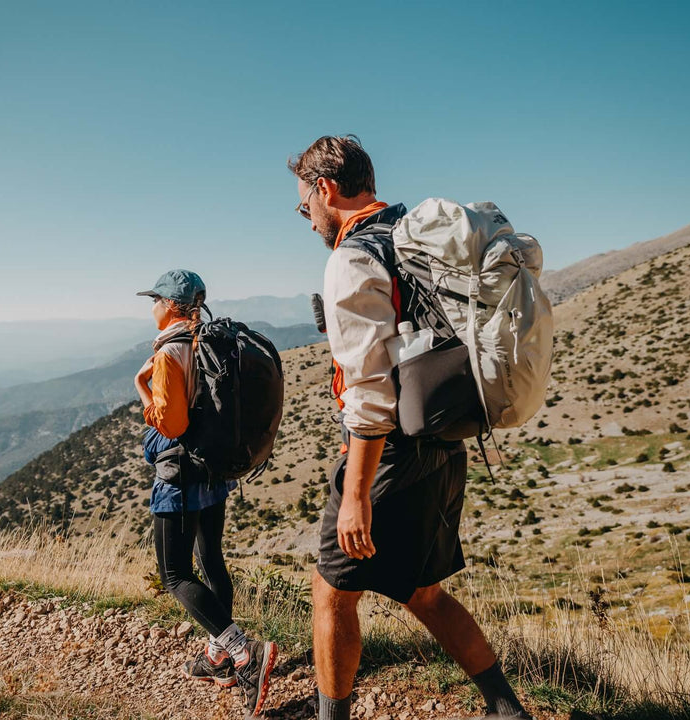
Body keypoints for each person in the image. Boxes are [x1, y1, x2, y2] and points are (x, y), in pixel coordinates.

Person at [288, 137, 533, 720]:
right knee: (421, 592)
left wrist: (355, 497)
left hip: (389, 451)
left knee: (331, 591)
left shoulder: (351, 258)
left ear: (325, 189)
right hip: (444, 433)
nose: (308, 219)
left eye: (304, 206)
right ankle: (505, 708)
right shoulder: (408, 234)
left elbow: (370, 396)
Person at [133, 269, 278, 717]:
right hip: (215, 468)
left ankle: (243, 652)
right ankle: (219, 658)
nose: (152, 306)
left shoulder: (170, 352)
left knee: (175, 574)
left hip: (181, 476)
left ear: (172, 305)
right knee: (210, 559)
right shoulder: (210, 339)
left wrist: (147, 399)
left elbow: (172, 424)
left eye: (155, 298)